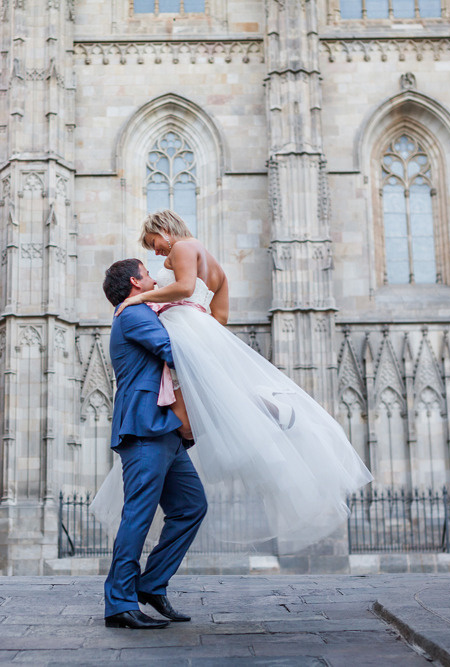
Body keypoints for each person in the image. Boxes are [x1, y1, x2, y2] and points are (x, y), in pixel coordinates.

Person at [93, 210, 373, 553]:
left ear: (164, 230)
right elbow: (220, 315)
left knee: (196, 403)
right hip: (204, 327)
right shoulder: (212, 264)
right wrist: (201, 324)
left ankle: (258, 411)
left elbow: (182, 287)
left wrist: (143, 298)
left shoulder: (183, 247)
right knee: (208, 400)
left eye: (155, 244)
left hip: (188, 331)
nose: (158, 254)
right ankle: (263, 409)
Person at [100, 258, 207, 630]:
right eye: (147, 274)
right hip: (145, 429)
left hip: (166, 430)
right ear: (135, 281)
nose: (154, 279)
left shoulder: (142, 310)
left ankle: (150, 584)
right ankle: (119, 603)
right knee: (138, 516)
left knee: (191, 506)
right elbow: (173, 350)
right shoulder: (132, 313)